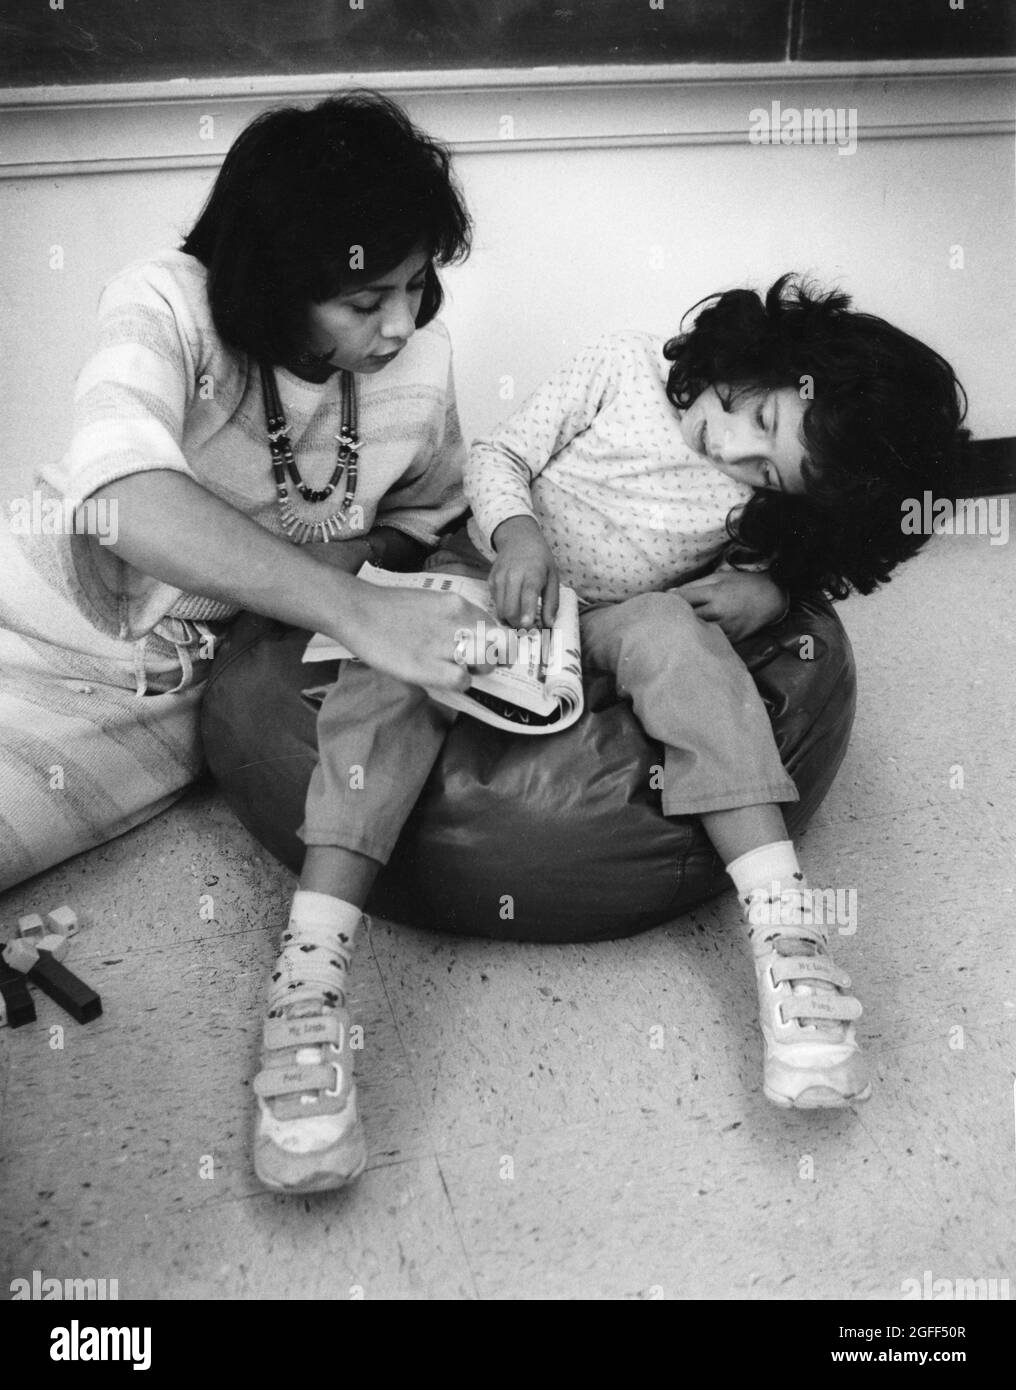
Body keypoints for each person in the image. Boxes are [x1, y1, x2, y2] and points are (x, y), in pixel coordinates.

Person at [262, 275, 967, 1193]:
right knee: (390, 678)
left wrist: (774, 590)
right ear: (770, 357)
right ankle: (309, 980)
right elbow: (499, 457)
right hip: (493, 580)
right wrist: (520, 540)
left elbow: (792, 561)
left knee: (689, 648)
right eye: (753, 414)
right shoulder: (624, 367)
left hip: (616, 621)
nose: (736, 448)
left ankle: (788, 942)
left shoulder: (768, 496)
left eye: (767, 472)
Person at [0, 91, 492, 892]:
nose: (401, 325)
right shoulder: (166, 300)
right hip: (32, 621)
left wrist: (365, 552)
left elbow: (426, 510)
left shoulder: (421, 359)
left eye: (417, 284)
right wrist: (360, 610)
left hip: (170, 699)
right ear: (275, 282)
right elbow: (118, 496)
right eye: (366, 302)